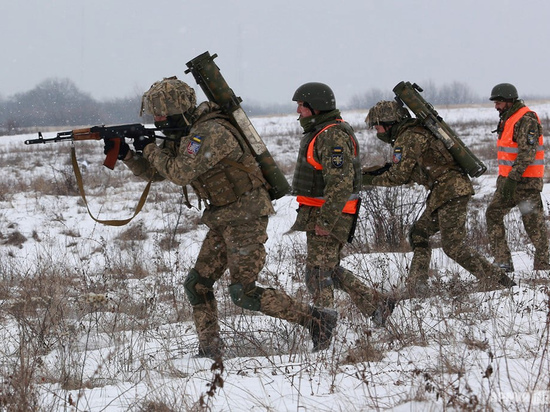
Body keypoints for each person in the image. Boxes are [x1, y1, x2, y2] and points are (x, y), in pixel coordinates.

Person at [110, 76, 337, 357]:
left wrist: (148, 147)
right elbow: (160, 172)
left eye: (161, 113)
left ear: (177, 108)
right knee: (198, 284)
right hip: (222, 217)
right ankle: (210, 349)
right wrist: (129, 157)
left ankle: (318, 321)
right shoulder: (184, 133)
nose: (157, 119)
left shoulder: (209, 132)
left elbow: (180, 173)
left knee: (243, 292)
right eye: (154, 114)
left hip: (246, 215)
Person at [362, 100, 516, 297]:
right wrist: (365, 174)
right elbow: (400, 170)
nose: (376, 130)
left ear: (389, 122)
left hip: (451, 192)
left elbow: (398, 176)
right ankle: (418, 286)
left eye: (377, 125)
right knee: (419, 234)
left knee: (453, 246)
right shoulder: (412, 133)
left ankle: (502, 283)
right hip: (445, 192)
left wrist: (364, 181)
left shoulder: (409, 137)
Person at [290, 82, 395, 326]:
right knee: (328, 270)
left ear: (315, 107)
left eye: (301, 106)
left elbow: (340, 183)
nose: (298, 111)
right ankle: (377, 305)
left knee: (318, 274)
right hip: (322, 213)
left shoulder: (332, 135)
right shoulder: (323, 132)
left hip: (329, 215)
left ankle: (323, 325)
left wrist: (326, 220)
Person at [486, 83, 549, 272]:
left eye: (498, 102)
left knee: (534, 226)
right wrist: (507, 180)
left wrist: (512, 179)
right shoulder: (509, 118)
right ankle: (503, 262)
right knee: (493, 214)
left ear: (509, 101)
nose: (496, 106)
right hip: (508, 183)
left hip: (525, 183)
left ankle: (544, 266)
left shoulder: (526, 118)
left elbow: (527, 153)